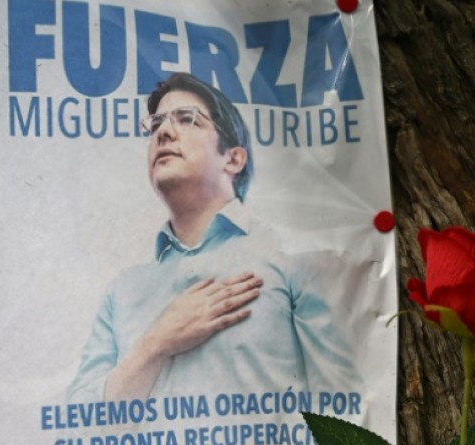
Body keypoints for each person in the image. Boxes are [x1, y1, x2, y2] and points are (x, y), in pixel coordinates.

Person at [68, 72, 356, 402]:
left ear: (233, 157)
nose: (163, 131)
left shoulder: (291, 256)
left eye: (187, 119)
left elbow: (344, 405)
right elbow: (79, 426)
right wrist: (155, 345)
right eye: (156, 123)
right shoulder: (122, 292)